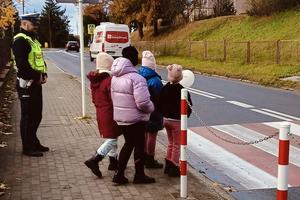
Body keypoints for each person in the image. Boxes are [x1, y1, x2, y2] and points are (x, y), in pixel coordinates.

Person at [111, 46, 155, 184]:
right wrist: (151, 108)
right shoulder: (137, 78)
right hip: (136, 118)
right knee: (138, 146)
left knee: (128, 144)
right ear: (134, 58)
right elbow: (142, 103)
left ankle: (119, 174)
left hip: (121, 117)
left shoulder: (115, 76)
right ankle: (139, 175)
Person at [12, 13, 49, 157]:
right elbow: (22, 65)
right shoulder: (20, 40)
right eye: (34, 25)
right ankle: (27, 147)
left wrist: (43, 73)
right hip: (26, 84)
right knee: (27, 117)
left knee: (36, 115)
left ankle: (33, 141)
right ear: (25, 24)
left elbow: (39, 58)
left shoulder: (32, 39)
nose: (36, 28)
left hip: (36, 83)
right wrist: (37, 76)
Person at [84, 52, 120, 178]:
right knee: (112, 138)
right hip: (110, 111)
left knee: (112, 136)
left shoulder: (95, 80)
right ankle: (96, 159)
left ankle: (113, 161)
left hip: (100, 111)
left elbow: (94, 98)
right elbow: (113, 98)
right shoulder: (109, 81)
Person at [158, 64, 192, 177]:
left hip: (165, 119)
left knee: (170, 143)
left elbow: (159, 102)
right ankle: (174, 166)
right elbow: (189, 106)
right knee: (177, 144)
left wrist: (163, 114)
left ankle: (167, 163)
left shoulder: (165, 88)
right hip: (176, 121)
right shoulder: (182, 90)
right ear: (181, 77)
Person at [138, 50, 163, 169]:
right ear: (153, 66)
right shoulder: (155, 81)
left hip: (141, 111)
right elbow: (160, 98)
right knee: (152, 135)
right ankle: (150, 159)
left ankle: (142, 157)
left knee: (143, 135)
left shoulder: (138, 76)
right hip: (154, 112)